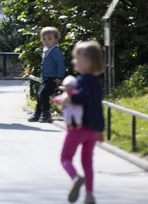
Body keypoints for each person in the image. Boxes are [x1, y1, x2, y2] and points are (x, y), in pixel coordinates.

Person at [59, 41, 105, 204]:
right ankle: (89, 194)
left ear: (87, 61)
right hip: (92, 130)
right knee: (87, 162)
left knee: (65, 158)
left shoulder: (82, 81)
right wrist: (100, 129)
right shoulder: (98, 83)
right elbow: (98, 107)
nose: (74, 61)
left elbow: (83, 98)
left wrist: (68, 98)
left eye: (76, 58)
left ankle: (75, 178)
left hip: (78, 128)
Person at [28, 26, 65, 123]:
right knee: (39, 95)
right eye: (44, 39)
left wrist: (60, 77)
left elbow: (61, 64)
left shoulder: (55, 51)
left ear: (56, 39)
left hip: (53, 78)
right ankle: (37, 113)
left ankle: (46, 114)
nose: (46, 41)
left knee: (43, 94)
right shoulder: (46, 50)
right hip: (45, 78)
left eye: (50, 39)